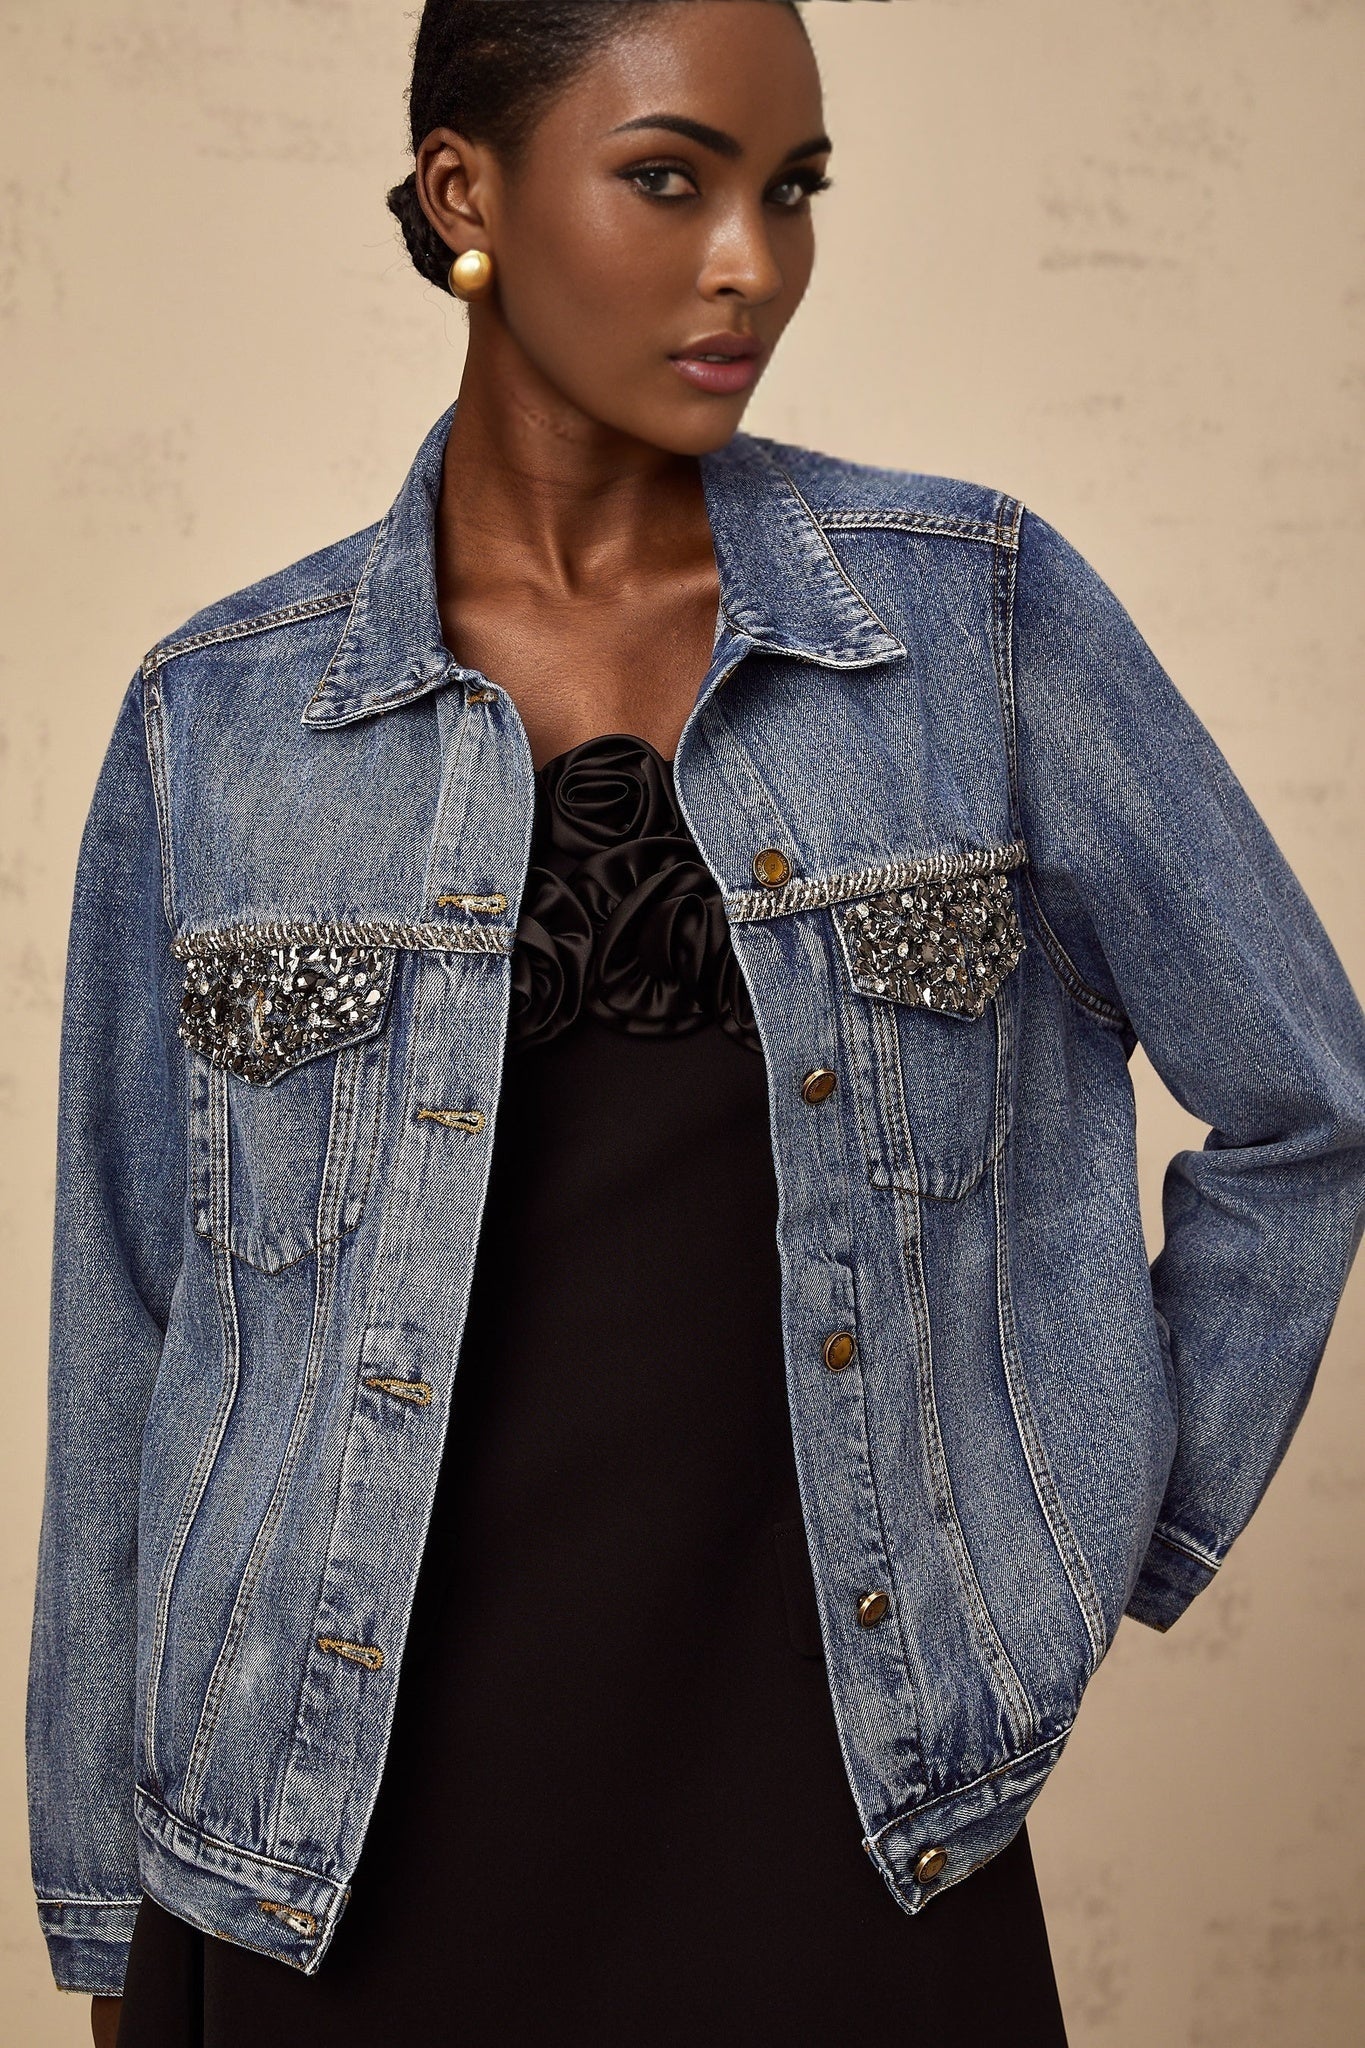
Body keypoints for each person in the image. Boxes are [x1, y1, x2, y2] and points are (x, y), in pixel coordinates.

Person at [24, 2, 1365, 2044]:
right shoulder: (219, 717)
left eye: (789, 189)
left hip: (844, 1833)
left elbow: (1303, 1106)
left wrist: (1085, 1519)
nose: (751, 261)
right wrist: (112, 1929)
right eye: (668, 179)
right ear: (464, 192)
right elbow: (128, 1342)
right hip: (323, 1862)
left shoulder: (970, 621)